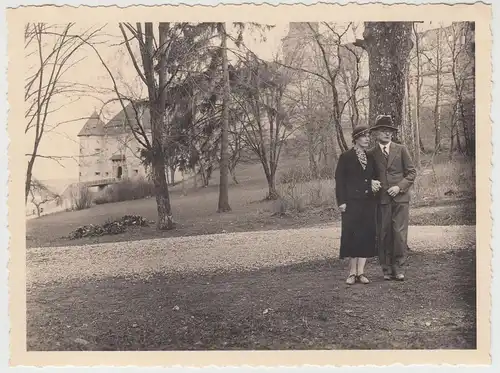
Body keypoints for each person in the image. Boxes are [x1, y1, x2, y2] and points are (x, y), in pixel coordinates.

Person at [368, 115, 416, 281]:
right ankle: (386, 269)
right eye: (383, 131)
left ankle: (399, 268)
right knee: (384, 234)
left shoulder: (401, 149)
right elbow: (367, 176)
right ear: (376, 134)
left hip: (400, 199)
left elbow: (411, 173)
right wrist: (371, 182)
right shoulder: (371, 153)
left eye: (389, 131)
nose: (387, 134)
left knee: (399, 234)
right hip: (382, 200)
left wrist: (399, 187)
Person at [335, 124, 382, 285]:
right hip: (351, 203)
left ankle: (361, 273)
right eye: (364, 136)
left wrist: (374, 183)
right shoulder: (346, 157)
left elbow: (375, 177)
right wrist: (341, 202)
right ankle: (351, 273)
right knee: (352, 236)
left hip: (368, 202)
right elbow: (340, 181)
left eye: (369, 136)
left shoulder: (370, 157)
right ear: (356, 139)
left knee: (366, 236)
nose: (367, 139)